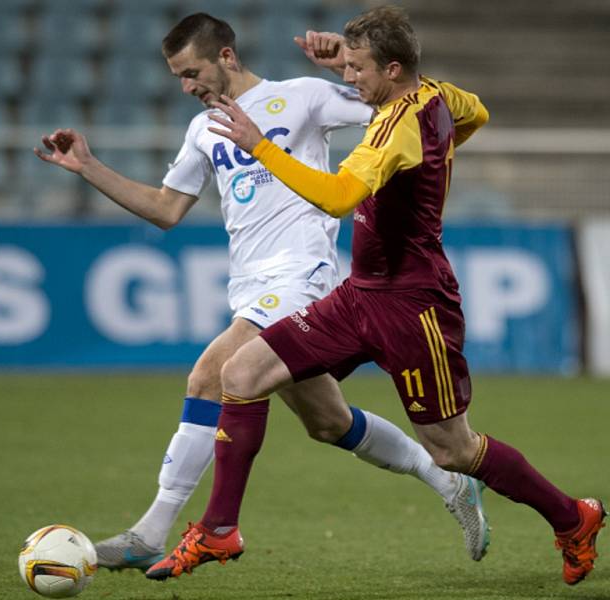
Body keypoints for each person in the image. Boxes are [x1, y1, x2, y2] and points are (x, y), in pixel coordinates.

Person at [145, 6, 606, 586]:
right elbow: (477, 112)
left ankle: (573, 517)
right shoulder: (436, 95)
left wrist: (262, 146)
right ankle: (217, 530)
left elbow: (337, 197)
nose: (348, 79)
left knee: (452, 449)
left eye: (357, 68)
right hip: (360, 291)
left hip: (413, 306)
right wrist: (361, 68)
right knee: (241, 375)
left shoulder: (394, 129)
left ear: (391, 68)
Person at [34, 11, 489, 572]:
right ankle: (444, 478)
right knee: (328, 422)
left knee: (209, 375)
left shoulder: (302, 97)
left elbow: (403, 105)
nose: (186, 86)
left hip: (303, 276)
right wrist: (88, 167)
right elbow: (166, 209)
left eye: (192, 71)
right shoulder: (202, 129)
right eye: (177, 77)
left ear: (226, 56)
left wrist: (344, 68)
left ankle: (153, 530)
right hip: (250, 285)